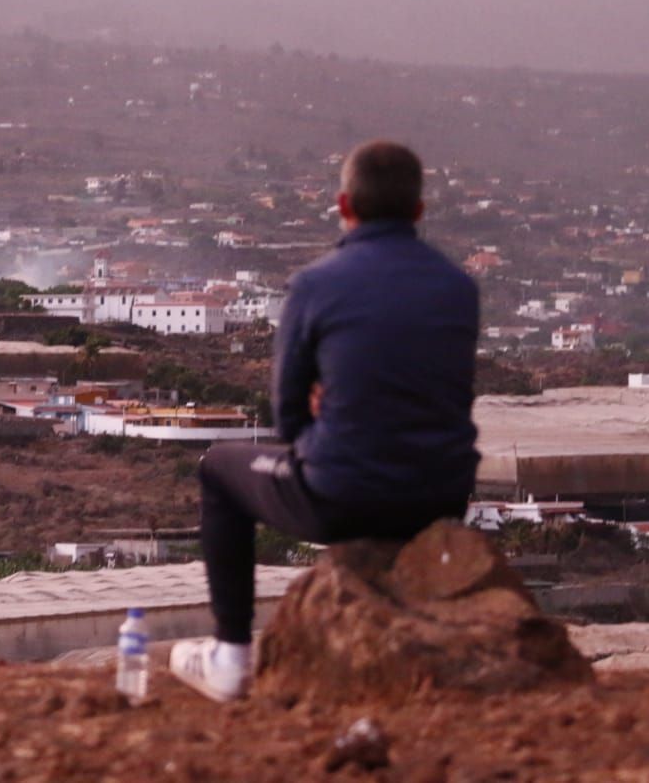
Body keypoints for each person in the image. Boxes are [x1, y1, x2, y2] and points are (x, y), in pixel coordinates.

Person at [169, 140, 480, 702]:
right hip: (442, 498)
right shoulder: (458, 288)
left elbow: (286, 415)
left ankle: (231, 657)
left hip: (343, 497)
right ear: (417, 211)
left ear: (344, 204)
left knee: (217, 466)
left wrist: (328, 428)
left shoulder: (318, 284)